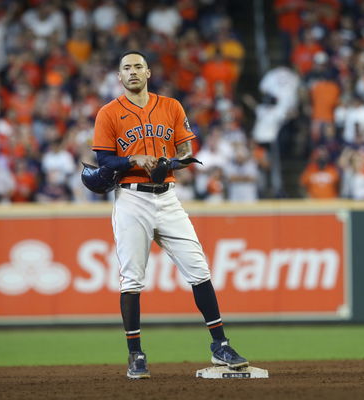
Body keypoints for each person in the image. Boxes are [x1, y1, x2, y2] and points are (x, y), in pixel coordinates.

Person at [90, 51, 248, 379]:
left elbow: (186, 149)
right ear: (119, 77)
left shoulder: (172, 106)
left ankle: (220, 344)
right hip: (132, 200)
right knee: (132, 278)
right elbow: (103, 162)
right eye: (126, 68)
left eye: (137, 66)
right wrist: (135, 159)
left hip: (169, 197)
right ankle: (135, 354)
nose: (132, 72)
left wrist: (169, 163)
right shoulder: (108, 113)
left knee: (199, 269)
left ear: (148, 72)